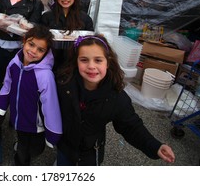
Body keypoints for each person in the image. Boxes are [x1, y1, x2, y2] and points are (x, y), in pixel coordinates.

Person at [55, 34, 175, 166]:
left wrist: (155, 146)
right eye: (84, 60)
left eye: (98, 60)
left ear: (108, 62)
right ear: (76, 62)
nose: (91, 66)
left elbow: (131, 126)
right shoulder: (63, 84)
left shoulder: (116, 97)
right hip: (65, 146)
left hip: (90, 150)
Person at [0, 25, 62, 165]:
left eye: (40, 49)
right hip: (18, 119)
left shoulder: (45, 76)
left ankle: (29, 150)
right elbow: (7, 86)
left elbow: (50, 105)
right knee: (23, 150)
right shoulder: (14, 63)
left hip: (36, 125)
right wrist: (0, 109)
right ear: (24, 41)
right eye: (31, 44)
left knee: (36, 150)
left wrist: (53, 132)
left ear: (46, 52)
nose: (33, 51)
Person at [41, 0, 94, 71]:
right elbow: (41, 41)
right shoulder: (47, 17)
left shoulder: (85, 19)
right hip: (50, 64)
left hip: (75, 66)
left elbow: (90, 43)